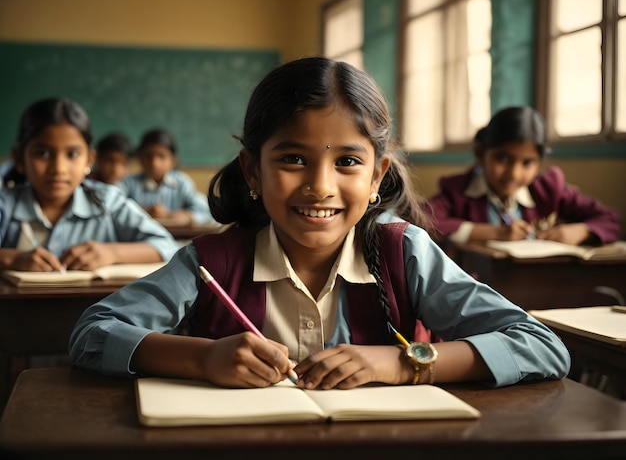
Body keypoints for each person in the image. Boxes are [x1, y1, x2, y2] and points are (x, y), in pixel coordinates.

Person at [69, 57, 570, 391]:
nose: (320, 186)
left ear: (378, 175)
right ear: (252, 171)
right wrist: (201, 359)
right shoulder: (211, 262)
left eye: (348, 162)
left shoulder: (405, 254)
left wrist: (402, 363)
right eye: (292, 158)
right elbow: (92, 334)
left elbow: (542, 346)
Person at [0, 97, 180, 272]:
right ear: (19, 159)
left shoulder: (107, 202)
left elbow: (166, 245)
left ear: (89, 160)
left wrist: (112, 252)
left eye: (72, 154)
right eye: (43, 154)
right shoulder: (5, 205)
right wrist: (12, 258)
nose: (58, 168)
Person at [428, 106, 620, 245]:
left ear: (539, 162)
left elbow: (609, 219)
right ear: (480, 154)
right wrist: (495, 232)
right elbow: (422, 220)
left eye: (527, 163)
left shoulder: (548, 189)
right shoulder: (459, 190)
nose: (514, 173)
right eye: (503, 159)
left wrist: (582, 231)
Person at [120, 128, 216, 226]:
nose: (154, 163)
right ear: (140, 158)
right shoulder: (129, 183)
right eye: (148, 156)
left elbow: (206, 212)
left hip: (177, 238)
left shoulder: (181, 183)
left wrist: (174, 216)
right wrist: (144, 211)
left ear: (173, 160)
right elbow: (115, 210)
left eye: (161, 156)